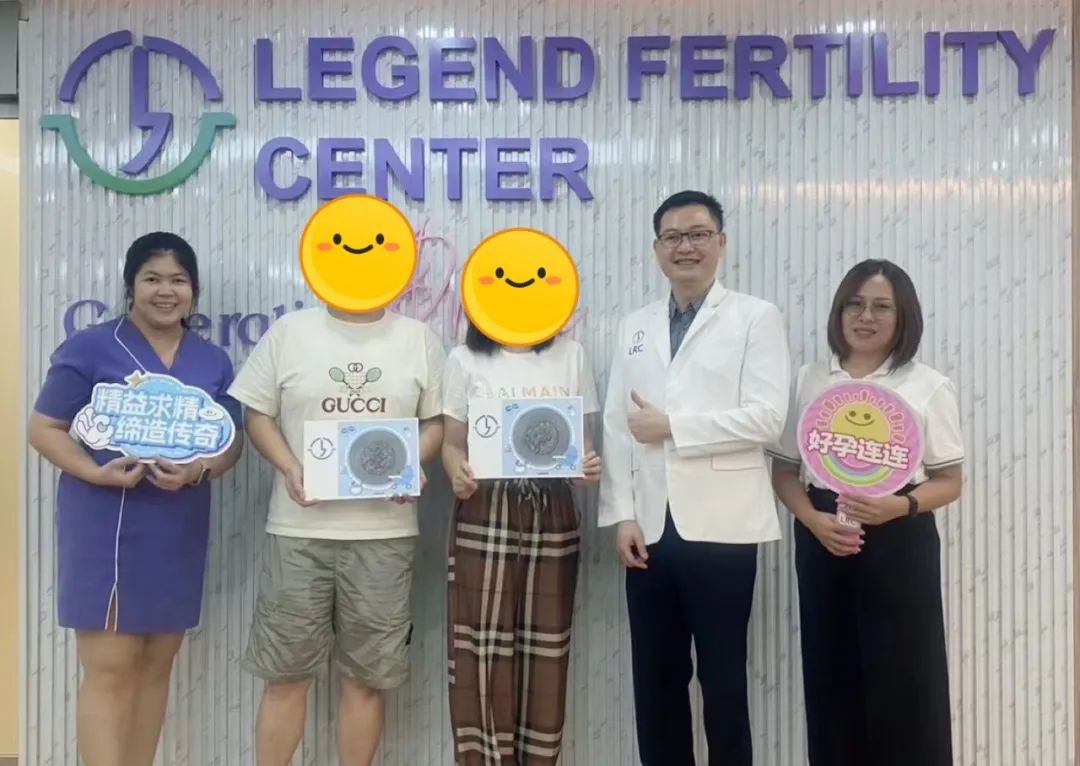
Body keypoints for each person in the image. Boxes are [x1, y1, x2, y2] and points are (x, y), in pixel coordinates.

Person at [27, 231, 244, 766]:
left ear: (194, 290)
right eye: (152, 279)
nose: (165, 291)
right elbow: (45, 428)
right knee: (111, 668)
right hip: (106, 526)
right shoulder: (91, 348)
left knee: (156, 666)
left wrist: (198, 471)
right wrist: (95, 472)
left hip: (177, 527)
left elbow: (230, 442)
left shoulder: (212, 361)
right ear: (131, 286)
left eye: (178, 280)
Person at [598, 190, 790, 765]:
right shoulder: (634, 325)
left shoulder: (756, 317)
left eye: (699, 234)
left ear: (721, 243)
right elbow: (616, 425)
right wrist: (622, 514)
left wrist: (674, 427)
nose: (686, 246)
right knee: (655, 683)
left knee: (723, 682)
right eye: (673, 237)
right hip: (649, 529)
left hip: (724, 527)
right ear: (657, 248)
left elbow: (767, 418)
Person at [228, 300, 445, 766]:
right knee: (286, 675)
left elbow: (436, 423)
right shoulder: (289, 331)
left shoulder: (417, 338)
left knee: (367, 679)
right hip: (297, 532)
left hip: (384, 535)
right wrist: (290, 467)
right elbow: (257, 414)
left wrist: (410, 461)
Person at [769, 259, 962, 766]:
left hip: (900, 535)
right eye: (855, 304)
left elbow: (950, 481)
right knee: (831, 678)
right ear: (839, 312)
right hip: (823, 533)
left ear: (904, 317)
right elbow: (785, 471)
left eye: (881, 307)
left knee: (908, 682)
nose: (866, 316)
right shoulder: (809, 379)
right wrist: (813, 521)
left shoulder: (927, 385)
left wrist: (901, 505)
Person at [441, 320, 602, 765]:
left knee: (546, 645)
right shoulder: (464, 358)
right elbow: (452, 444)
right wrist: (456, 472)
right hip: (483, 505)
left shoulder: (571, 354)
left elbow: (583, 446)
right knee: (480, 647)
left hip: (552, 509)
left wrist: (586, 468)